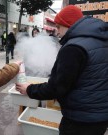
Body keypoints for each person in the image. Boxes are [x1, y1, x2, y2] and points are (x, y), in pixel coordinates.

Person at [16, 5, 108, 135]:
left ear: (69, 25)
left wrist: (29, 89)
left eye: (59, 27)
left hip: (79, 119)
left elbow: (57, 88)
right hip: (100, 117)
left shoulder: (74, 47)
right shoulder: (101, 40)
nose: (57, 32)